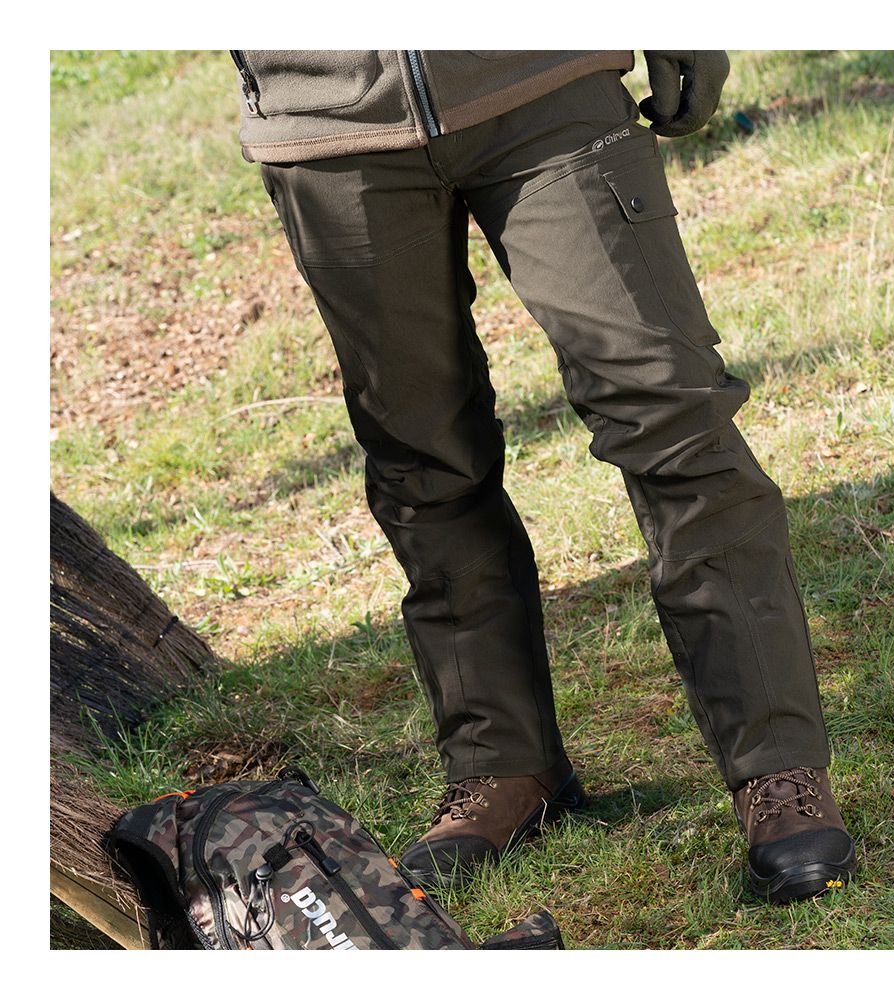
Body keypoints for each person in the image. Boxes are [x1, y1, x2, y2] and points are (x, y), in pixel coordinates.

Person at [230, 49, 858, 903]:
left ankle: (779, 772)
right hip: (328, 121)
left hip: (542, 75)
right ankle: (503, 769)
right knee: (420, 458)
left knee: (670, 415)